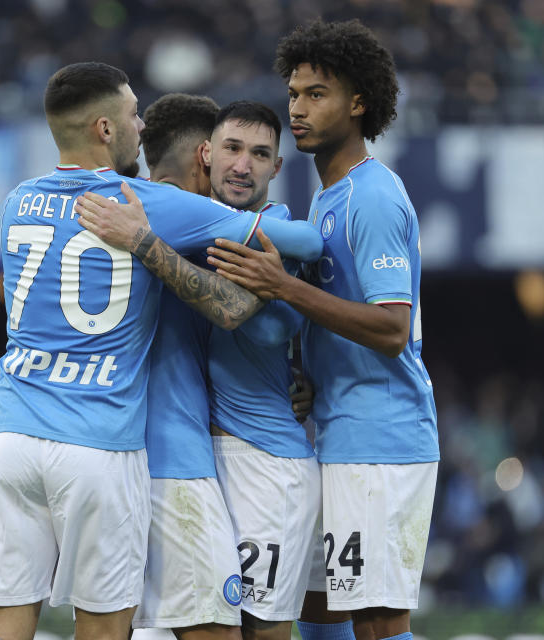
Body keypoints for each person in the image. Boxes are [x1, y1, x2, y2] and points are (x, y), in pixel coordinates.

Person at [0, 62, 322, 640]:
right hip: (112, 447)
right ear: (106, 128)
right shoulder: (147, 204)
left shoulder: (18, 202)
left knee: (5, 621)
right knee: (138, 628)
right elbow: (293, 256)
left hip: (11, 433)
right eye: (132, 113)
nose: (140, 123)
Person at [205, 20, 439, 640]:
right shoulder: (327, 200)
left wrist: (283, 286)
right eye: (295, 94)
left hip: (381, 438)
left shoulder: (376, 198)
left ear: (358, 103)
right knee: (318, 607)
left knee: (377, 620)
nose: (298, 109)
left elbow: (393, 329)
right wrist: (305, 374)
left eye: (317, 94)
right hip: (335, 430)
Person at [203, 101, 352, 640]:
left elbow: (271, 328)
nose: (243, 165)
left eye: (260, 154)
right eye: (233, 149)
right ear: (207, 153)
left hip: (264, 463)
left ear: (276, 169)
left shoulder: (279, 230)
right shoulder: (189, 223)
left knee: (258, 629)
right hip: (195, 462)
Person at [131, 92, 244, 640]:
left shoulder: (112, 206)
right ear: (205, 155)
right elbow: (296, 239)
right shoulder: (191, 218)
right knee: (215, 631)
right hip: (174, 465)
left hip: (110, 459)